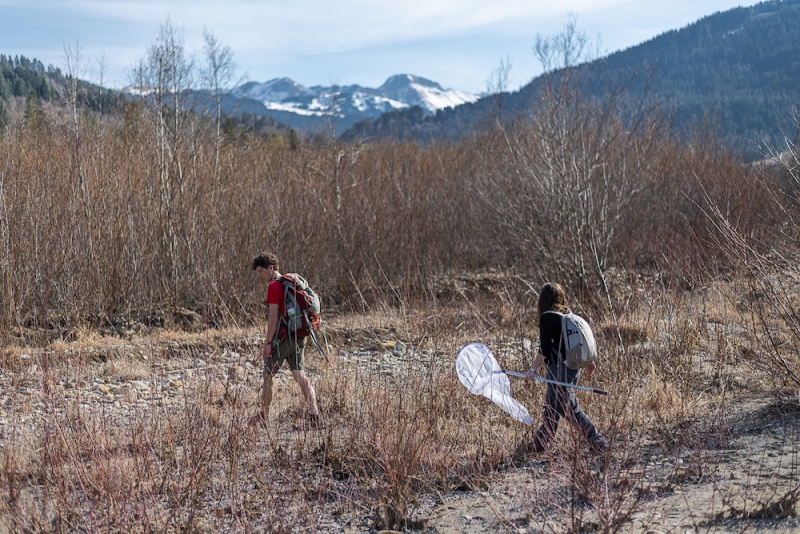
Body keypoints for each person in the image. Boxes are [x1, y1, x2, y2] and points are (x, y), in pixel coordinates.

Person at [524, 282, 607, 454]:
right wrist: (588, 362)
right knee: (551, 407)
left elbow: (545, 349)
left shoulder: (547, 318)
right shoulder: (567, 315)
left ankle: (598, 442)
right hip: (573, 369)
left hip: (558, 371)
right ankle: (540, 443)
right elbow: (576, 344)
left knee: (569, 408)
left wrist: (532, 370)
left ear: (542, 300)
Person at [251, 252, 320, 427]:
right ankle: (314, 413)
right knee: (299, 374)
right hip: (300, 334)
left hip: (283, 338)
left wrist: (268, 344)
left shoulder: (274, 287)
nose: (260, 276)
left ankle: (264, 416)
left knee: (268, 376)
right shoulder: (291, 282)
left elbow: (273, 319)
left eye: (261, 271)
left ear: (271, 268)